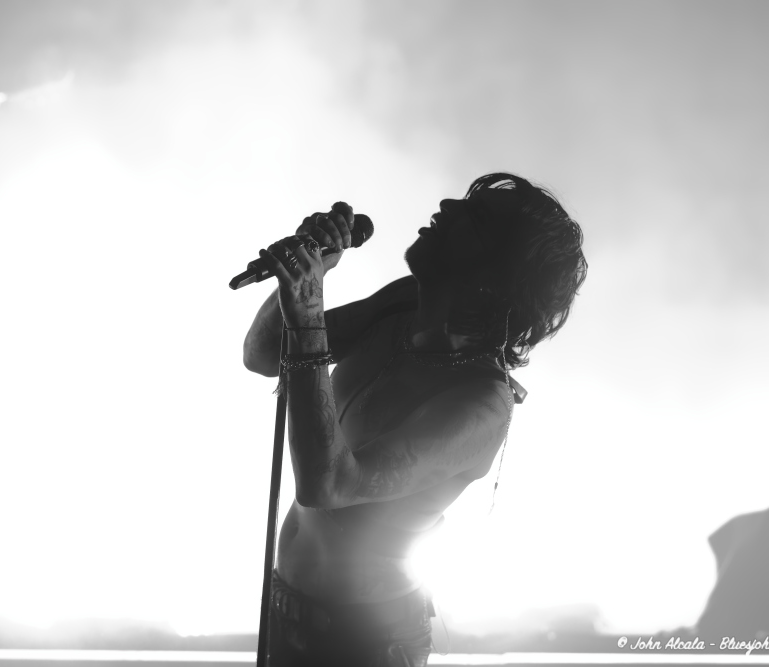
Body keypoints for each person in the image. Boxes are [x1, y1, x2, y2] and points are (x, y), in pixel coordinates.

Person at [243, 172, 587, 666]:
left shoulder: (481, 406)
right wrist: (311, 271)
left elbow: (329, 485)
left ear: (501, 271)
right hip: (283, 611)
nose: (449, 204)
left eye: (478, 215)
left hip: (366, 644)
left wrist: (308, 313)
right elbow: (262, 354)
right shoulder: (403, 303)